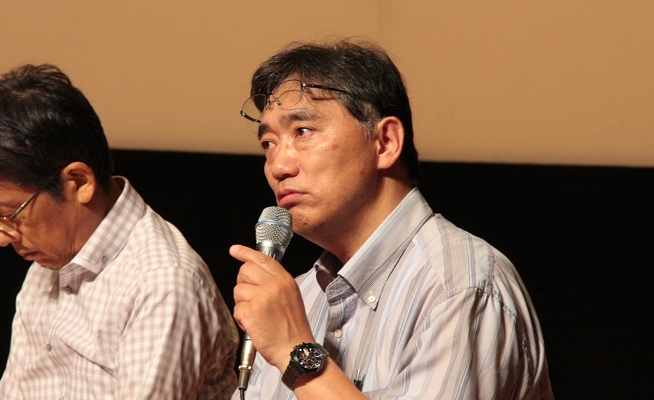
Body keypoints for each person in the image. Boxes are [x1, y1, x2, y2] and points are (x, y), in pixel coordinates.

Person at [230, 40, 553, 399]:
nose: (278, 166)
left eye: (302, 132)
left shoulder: (459, 285)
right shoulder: (296, 299)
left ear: (385, 142)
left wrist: (296, 351)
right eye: (269, 144)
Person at [0, 64, 238, 399]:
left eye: (9, 213)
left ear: (79, 182)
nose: (0, 236)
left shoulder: (162, 283)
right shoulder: (51, 259)